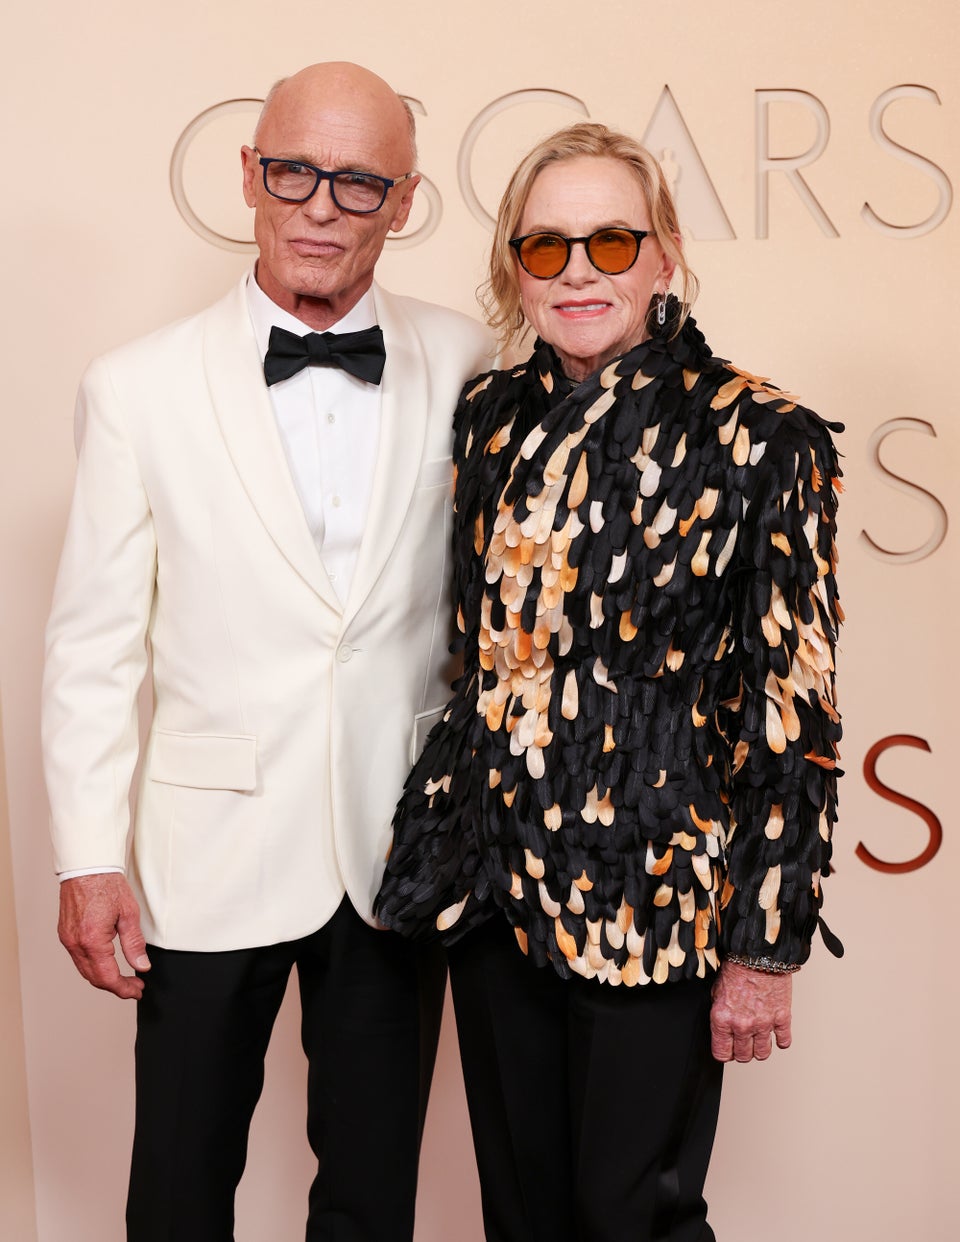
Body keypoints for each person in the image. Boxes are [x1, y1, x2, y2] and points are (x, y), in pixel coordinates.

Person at [42, 61, 493, 1242]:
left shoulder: (471, 360)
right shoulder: (135, 387)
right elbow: (94, 646)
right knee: (178, 1186)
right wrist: (87, 856)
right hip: (207, 849)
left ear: (405, 202)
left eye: (359, 183)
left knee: (372, 1194)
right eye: (294, 172)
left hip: (398, 848)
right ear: (249, 174)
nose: (321, 208)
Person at [376, 121, 842, 1242]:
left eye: (611, 242)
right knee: (521, 1218)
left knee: (633, 1219)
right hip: (497, 896)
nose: (578, 271)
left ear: (664, 254)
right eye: (546, 247)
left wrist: (766, 947)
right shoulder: (488, 421)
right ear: (516, 270)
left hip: (658, 904)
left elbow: (795, 709)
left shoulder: (763, 436)